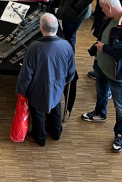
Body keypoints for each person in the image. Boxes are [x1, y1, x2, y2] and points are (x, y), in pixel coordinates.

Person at [81, 0, 122, 154]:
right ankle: (100, 113)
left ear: (109, 7)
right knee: (101, 92)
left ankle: (120, 134)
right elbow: (104, 37)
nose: (100, 11)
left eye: (102, 8)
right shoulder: (109, 17)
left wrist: (105, 48)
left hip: (118, 74)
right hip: (102, 66)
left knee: (121, 107)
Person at [15, 13, 76, 147]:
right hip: (57, 87)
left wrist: (22, 90)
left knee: (38, 114)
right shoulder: (66, 45)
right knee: (55, 109)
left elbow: (26, 73)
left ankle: (40, 137)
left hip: (38, 89)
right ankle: (56, 132)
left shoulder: (34, 47)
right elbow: (71, 71)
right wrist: (64, 82)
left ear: (41, 28)